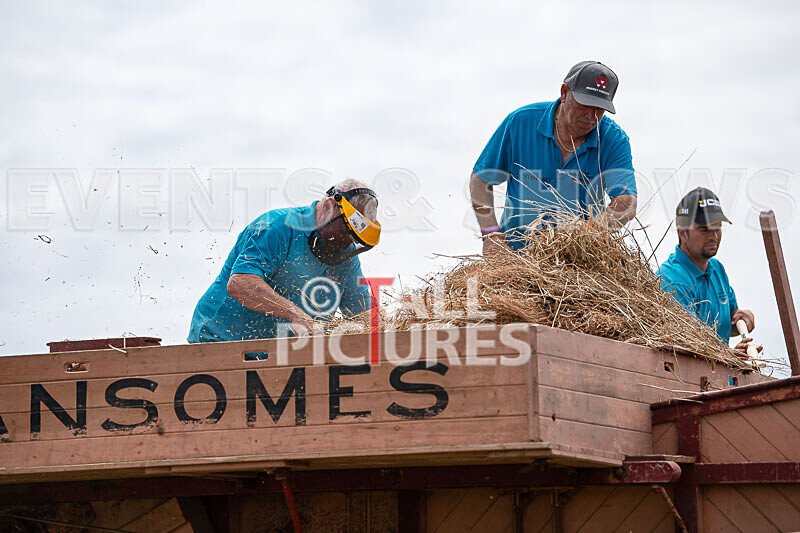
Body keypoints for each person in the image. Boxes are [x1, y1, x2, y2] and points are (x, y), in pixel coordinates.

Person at [470, 60, 638, 253]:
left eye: (599, 109)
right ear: (565, 92)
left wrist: (582, 238)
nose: (592, 116)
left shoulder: (613, 140)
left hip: (578, 263)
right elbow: (479, 180)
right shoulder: (520, 124)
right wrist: (491, 235)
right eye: (586, 105)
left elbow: (626, 202)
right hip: (516, 258)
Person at [188, 179, 380, 343]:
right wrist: (294, 314)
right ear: (329, 207)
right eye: (346, 231)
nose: (347, 242)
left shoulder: (344, 256)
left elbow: (364, 314)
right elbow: (240, 283)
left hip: (273, 355)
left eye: (354, 238)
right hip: (219, 340)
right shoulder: (277, 227)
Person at [659, 187, 760, 353]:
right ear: (682, 233)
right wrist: (730, 356)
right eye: (705, 229)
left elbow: (731, 319)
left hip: (719, 374)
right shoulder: (670, 279)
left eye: (718, 227)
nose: (714, 236)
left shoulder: (717, 269)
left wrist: (743, 319)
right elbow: (689, 346)